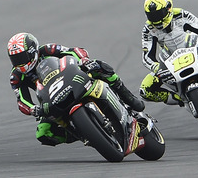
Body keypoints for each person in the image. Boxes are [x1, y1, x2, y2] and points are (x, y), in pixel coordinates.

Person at [8, 32, 147, 146]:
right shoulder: (16, 76)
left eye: (21, 57)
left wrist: (84, 61)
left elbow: (73, 51)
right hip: (53, 99)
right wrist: (33, 109)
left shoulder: (47, 50)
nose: (19, 62)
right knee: (43, 132)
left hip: (73, 79)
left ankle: (128, 97)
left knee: (99, 67)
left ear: (32, 51)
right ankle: (83, 134)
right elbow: (22, 101)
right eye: (15, 59)